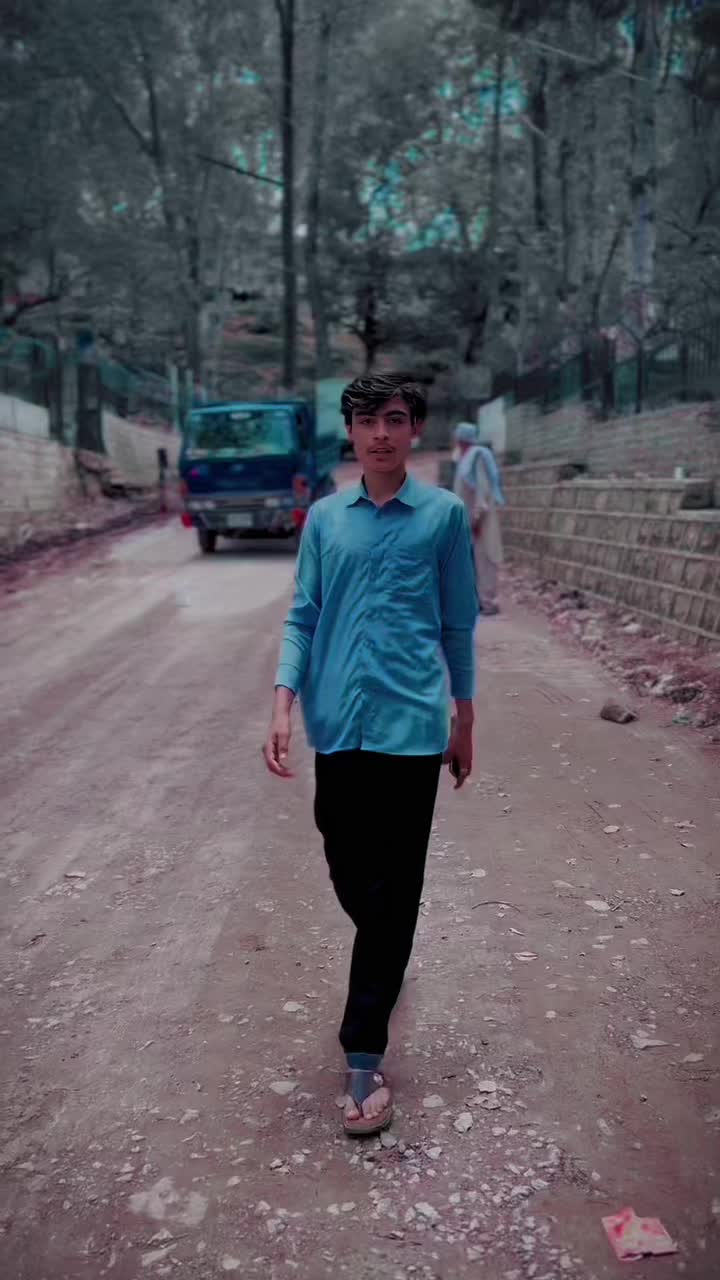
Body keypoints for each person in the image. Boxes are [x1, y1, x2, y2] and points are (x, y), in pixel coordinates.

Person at [263, 372, 478, 1138]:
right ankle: (387, 952)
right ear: (350, 432)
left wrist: (465, 721)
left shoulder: (444, 517)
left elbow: (458, 626)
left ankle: (363, 1053)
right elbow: (303, 615)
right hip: (338, 725)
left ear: (414, 428)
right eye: (366, 420)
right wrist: (283, 702)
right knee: (348, 865)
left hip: (413, 729)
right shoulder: (325, 519)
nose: (380, 433)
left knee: (395, 886)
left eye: (393, 418)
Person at [453, 422, 504, 615]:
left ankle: (488, 602)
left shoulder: (477, 457)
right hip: (468, 519)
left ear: (461, 439)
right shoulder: (464, 458)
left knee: (485, 558)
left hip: (480, 518)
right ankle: (476, 600)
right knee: (471, 561)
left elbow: (482, 490)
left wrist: (477, 519)